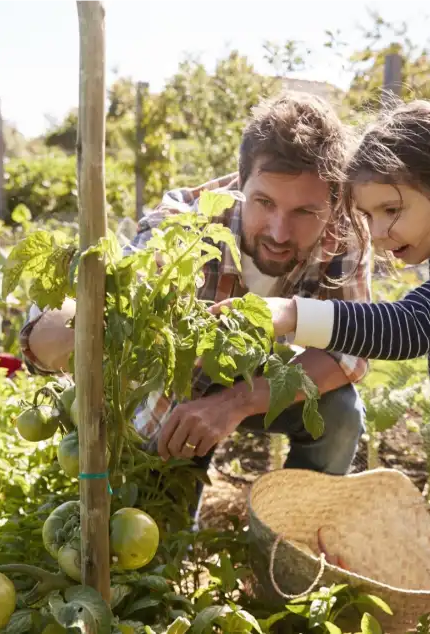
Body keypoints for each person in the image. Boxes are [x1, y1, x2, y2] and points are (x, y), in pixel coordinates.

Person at [216, 100, 430, 634]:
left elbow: (405, 327)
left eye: (391, 210)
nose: (377, 232)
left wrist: (287, 314)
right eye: (368, 215)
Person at [19, 91, 372, 516]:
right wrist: (76, 321)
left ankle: (292, 539)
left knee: (339, 412)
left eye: (304, 212)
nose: (279, 231)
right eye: (264, 203)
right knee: (156, 535)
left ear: (333, 203)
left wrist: (235, 402)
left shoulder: (344, 236)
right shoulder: (188, 221)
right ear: (240, 183)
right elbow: (131, 275)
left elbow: (347, 351)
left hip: (260, 378)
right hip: (181, 389)